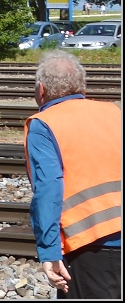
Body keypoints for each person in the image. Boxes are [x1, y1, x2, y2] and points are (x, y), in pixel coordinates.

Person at [25, 51, 122, 298]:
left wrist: (49, 252)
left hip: (91, 246)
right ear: (82, 87)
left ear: (41, 89)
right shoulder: (116, 112)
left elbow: (49, 190)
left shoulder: (44, 124)